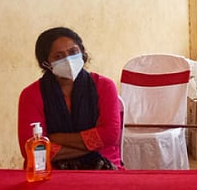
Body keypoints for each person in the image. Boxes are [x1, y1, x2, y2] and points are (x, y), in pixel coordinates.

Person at [17, 27, 122, 170]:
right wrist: (93, 144)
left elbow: (110, 135)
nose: (68, 60)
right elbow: (32, 150)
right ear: (45, 63)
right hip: (48, 171)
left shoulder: (104, 86)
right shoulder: (31, 94)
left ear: (83, 54)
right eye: (58, 56)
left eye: (73, 52)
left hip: (104, 166)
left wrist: (54, 138)